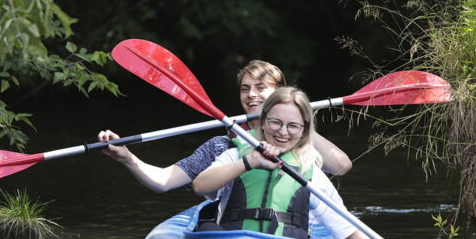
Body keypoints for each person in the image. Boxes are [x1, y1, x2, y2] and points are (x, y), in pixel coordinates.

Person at [192, 87, 409, 239]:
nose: (283, 132)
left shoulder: (310, 173)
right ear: (264, 122)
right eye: (275, 122)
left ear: (305, 131)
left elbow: (349, 233)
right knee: (206, 227)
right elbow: (200, 186)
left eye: (293, 126)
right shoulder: (237, 155)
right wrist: (249, 162)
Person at [97, 60, 352, 193]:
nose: (252, 95)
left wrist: (298, 119)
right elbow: (164, 181)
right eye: (245, 89)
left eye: (261, 88)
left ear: (279, 92)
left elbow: (341, 166)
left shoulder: (299, 144)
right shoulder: (223, 146)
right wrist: (128, 158)